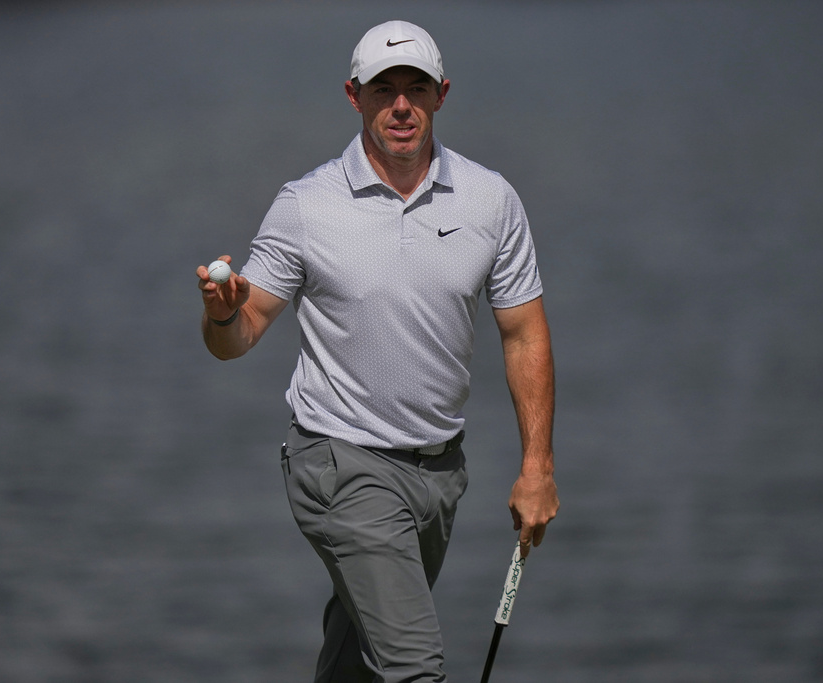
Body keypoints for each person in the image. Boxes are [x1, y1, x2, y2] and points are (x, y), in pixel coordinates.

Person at [196, 20, 558, 683]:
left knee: (361, 654)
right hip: (339, 464)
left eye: (415, 88)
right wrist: (221, 314)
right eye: (381, 89)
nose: (399, 105)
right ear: (353, 96)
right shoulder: (306, 206)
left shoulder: (490, 201)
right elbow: (238, 334)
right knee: (414, 665)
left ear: (441, 94)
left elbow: (524, 331)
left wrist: (537, 463)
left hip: (440, 472)